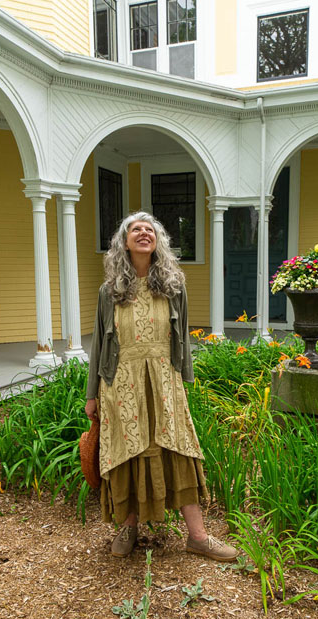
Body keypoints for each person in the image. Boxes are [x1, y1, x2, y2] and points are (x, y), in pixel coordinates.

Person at [85, 211, 238, 562]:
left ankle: (198, 537)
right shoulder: (109, 292)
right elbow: (98, 345)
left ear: (158, 241)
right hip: (121, 383)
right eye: (135, 229)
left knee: (178, 449)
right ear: (124, 242)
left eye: (149, 229)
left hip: (164, 379)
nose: (142, 233)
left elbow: (182, 336)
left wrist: (184, 380)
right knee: (128, 452)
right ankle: (128, 528)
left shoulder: (173, 286)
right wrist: (91, 394)